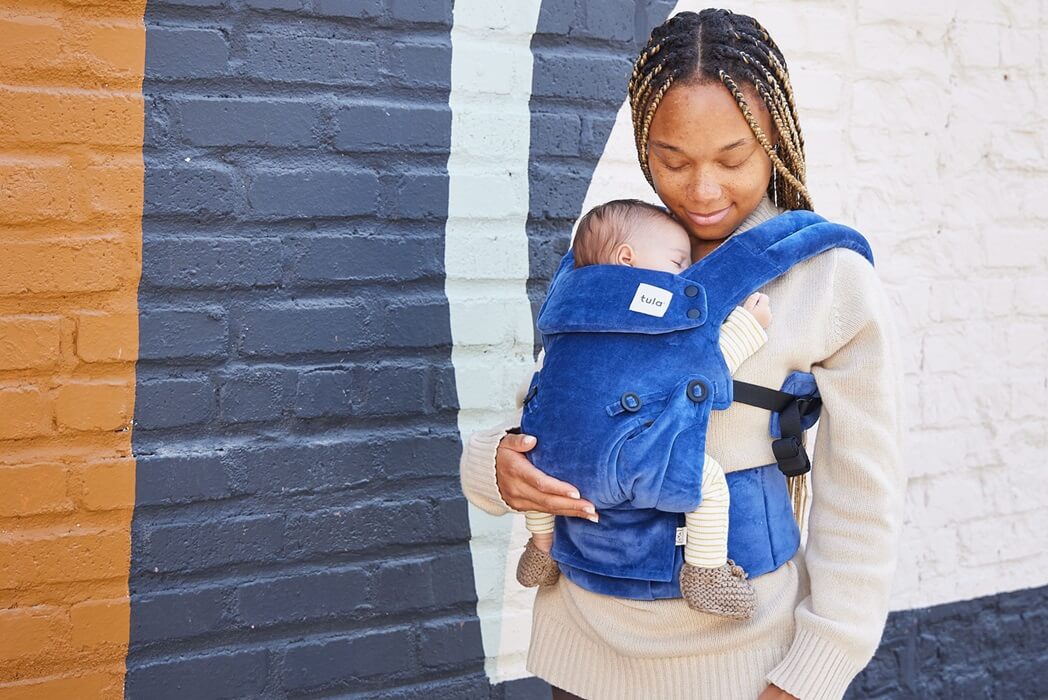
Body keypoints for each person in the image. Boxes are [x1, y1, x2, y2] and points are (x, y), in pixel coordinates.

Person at [460, 9, 904, 700]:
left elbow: (862, 495)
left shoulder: (828, 279)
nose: (701, 191)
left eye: (732, 159)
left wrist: (814, 672)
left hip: (745, 665)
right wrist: (493, 465)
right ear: (644, 146)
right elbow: (561, 405)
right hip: (582, 649)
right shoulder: (611, 254)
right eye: (672, 160)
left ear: (775, 138)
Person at [515, 198, 773, 622]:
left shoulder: (568, 309)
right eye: (677, 262)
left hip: (551, 452)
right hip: (622, 459)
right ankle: (707, 574)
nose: (683, 274)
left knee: (537, 473)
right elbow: (695, 372)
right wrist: (746, 328)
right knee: (705, 482)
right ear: (626, 259)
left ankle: (542, 547)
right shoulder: (646, 322)